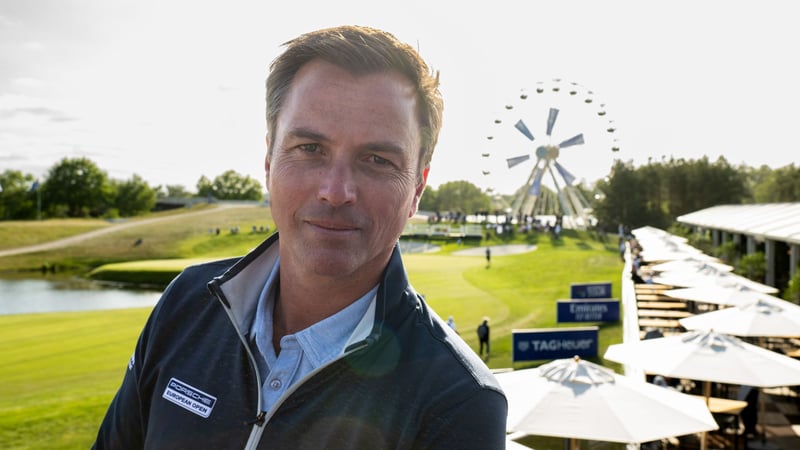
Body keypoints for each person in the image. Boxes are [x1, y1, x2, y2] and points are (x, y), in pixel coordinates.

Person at [92, 25, 507, 449]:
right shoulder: (185, 303)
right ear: (269, 159)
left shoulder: (461, 403)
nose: (336, 190)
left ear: (417, 188)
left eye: (377, 159)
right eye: (310, 148)